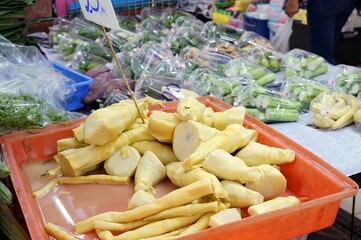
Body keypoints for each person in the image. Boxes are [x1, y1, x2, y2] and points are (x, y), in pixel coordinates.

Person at [285, 0, 361, 65]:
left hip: (325, 4)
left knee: (322, 57)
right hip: (346, 4)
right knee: (326, 51)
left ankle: (327, 80)